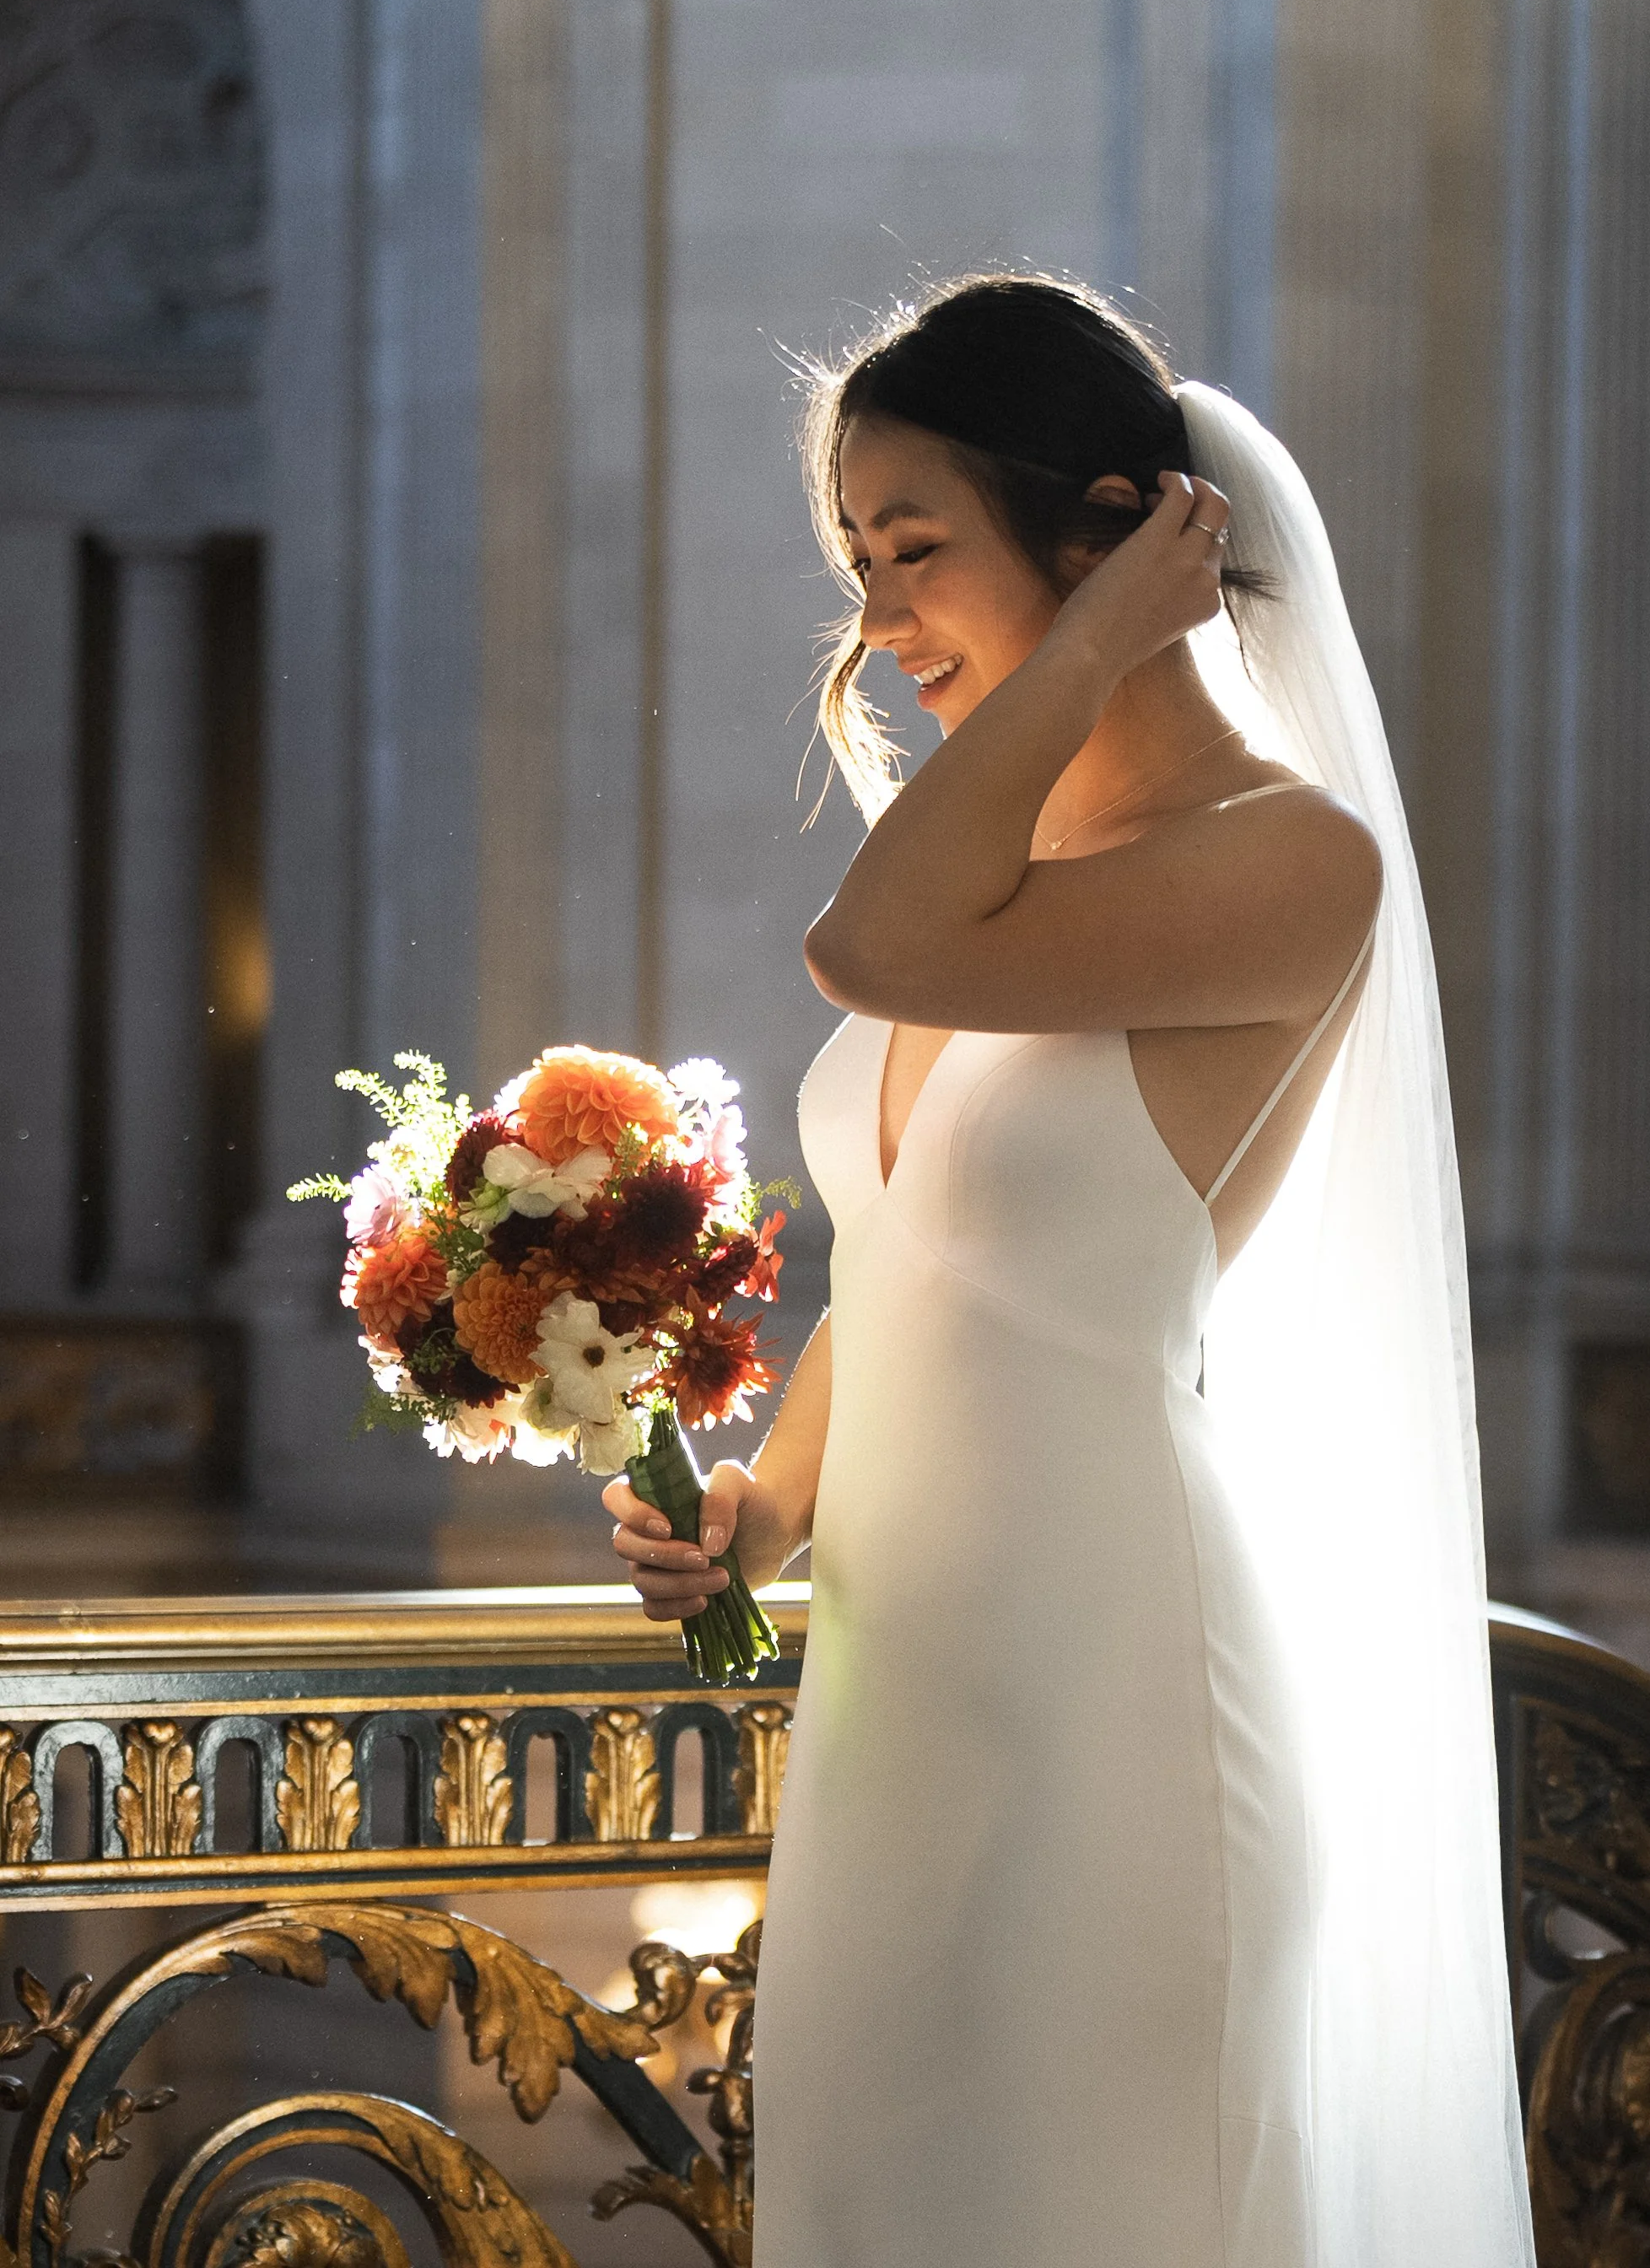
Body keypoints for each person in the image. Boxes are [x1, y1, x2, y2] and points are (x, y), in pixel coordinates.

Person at [603, 276, 1534, 2268]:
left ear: (1109, 527)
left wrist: (1111, 633)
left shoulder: (1292, 864)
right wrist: (759, 1507)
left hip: (1116, 1722)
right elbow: (906, 1265)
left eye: (914, 551)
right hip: (901, 1718)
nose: (876, 624)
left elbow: (864, 948)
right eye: (858, 564)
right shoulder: (999, 881)